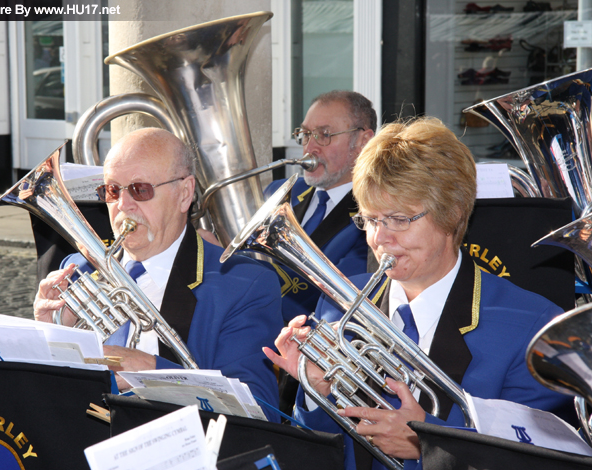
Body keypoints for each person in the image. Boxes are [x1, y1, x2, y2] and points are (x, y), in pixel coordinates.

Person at [264, 117, 576, 468]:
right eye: (370, 219)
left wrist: (427, 443)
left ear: (451, 214)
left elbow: (538, 462)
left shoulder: (533, 329)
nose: (380, 239)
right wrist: (314, 393)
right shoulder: (338, 303)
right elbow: (317, 455)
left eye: (399, 219)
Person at [34, 128, 283, 422]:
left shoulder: (243, 283)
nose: (123, 206)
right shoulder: (80, 268)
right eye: (112, 190)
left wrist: (153, 372)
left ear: (184, 194)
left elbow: (259, 409)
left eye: (140, 189)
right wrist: (48, 334)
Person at [265, 90, 376, 323]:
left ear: (363, 142)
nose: (309, 148)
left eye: (324, 135)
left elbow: (336, 300)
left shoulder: (373, 217)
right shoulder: (278, 193)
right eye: (306, 134)